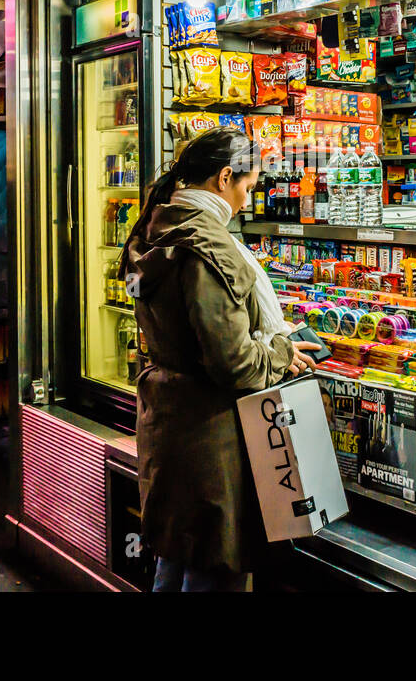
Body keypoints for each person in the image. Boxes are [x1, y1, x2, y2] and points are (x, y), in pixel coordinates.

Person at [119, 127, 322, 592]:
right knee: (214, 566)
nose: (247, 202)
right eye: (247, 188)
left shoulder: (159, 224)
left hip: (172, 424)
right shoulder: (207, 245)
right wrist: (279, 350)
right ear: (224, 177)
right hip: (210, 441)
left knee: (176, 558)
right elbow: (233, 362)